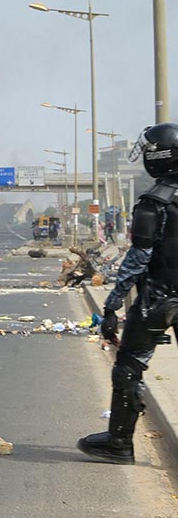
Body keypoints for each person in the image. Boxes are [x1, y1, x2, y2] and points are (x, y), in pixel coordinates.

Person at [79, 123, 178, 464]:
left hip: (160, 297)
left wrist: (111, 306)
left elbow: (137, 260)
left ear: (160, 157)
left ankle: (119, 442)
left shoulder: (154, 203)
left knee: (129, 366)